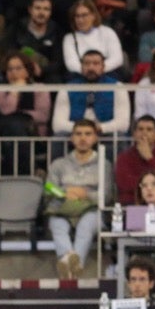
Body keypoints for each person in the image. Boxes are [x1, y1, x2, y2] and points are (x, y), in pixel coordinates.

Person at [46, 119, 106, 279]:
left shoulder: (103, 164)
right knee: (57, 227)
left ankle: (69, 264)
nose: (83, 138)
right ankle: (72, 263)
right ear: (72, 138)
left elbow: (108, 195)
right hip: (63, 208)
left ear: (95, 138)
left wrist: (85, 194)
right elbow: (49, 188)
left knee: (86, 227)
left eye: (88, 134)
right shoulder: (59, 164)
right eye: (78, 134)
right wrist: (65, 193)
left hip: (91, 209)